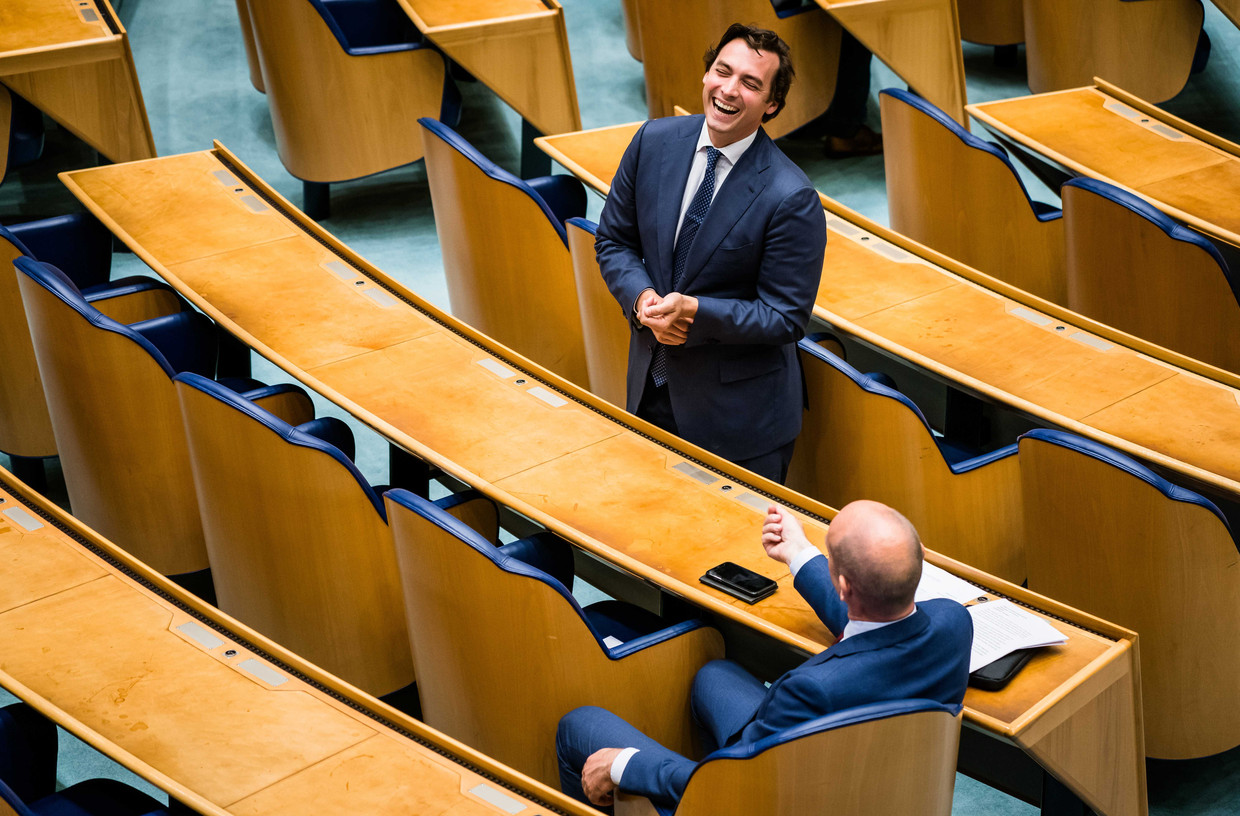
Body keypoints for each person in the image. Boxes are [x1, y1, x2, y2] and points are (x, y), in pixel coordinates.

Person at [556, 500, 973, 810]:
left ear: (844, 587)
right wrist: (799, 554)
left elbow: (731, 777)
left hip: (775, 796)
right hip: (874, 786)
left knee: (579, 726)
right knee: (713, 675)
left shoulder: (808, 692)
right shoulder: (954, 623)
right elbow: (872, 626)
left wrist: (624, 766)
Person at [595, 23, 827, 484]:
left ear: (771, 105)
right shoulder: (652, 142)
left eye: (751, 83)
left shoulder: (791, 196)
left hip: (739, 426)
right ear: (706, 75)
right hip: (650, 391)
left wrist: (695, 313)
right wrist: (642, 300)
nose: (729, 89)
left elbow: (784, 316)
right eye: (723, 71)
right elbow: (613, 240)